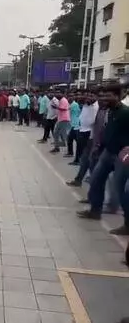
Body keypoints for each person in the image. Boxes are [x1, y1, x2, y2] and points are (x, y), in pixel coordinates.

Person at [78, 84, 129, 221]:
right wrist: (98, 148)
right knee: (95, 180)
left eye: (108, 96)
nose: (104, 99)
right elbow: (106, 132)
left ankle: (126, 222)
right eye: (102, 96)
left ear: (117, 96)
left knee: (121, 189)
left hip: (121, 155)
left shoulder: (125, 112)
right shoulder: (109, 111)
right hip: (107, 152)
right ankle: (95, 211)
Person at [65, 93, 81, 158]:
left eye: (71, 96)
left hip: (75, 124)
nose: (70, 98)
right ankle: (70, 152)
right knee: (70, 139)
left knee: (71, 139)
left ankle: (72, 153)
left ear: (74, 97)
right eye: (69, 96)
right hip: (71, 124)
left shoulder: (74, 104)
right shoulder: (70, 104)